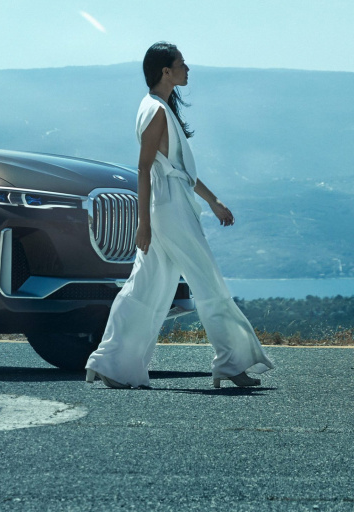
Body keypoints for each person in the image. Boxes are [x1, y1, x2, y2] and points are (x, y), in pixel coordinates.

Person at [85, 42, 273, 389]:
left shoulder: (157, 107)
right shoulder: (156, 111)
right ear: (165, 72)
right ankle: (231, 362)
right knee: (208, 281)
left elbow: (177, 169)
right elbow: (142, 168)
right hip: (169, 209)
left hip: (168, 203)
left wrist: (214, 201)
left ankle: (110, 362)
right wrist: (143, 225)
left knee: (147, 285)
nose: (188, 69)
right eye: (181, 64)